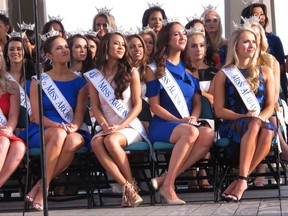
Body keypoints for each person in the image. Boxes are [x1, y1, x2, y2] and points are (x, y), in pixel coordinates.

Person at [145, 21, 215, 204]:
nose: (182, 37)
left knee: (207, 134)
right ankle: (168, 187)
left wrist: (194, 116)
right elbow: (154, 106)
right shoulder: (154, 69)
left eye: (184, 33)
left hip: (185, 122)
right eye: (177, 34)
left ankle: (165, 179)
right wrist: (179, 120)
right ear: (167, 39)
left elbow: (198, 101)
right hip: (163, 123)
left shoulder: (191, 69)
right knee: (191, 131)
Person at [20, 34, 90, 211]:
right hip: (43, 128)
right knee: (59, 135)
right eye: (59, 48)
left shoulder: (81, 83)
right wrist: (57, 126)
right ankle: (44, 190)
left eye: (66, 46)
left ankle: (41, 185)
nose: (65, 50)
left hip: (71, 128)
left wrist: (73, 126)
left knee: (73, 140)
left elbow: (79, 115)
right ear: (49, 56)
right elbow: (36, 116)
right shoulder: (39, 81)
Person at [214, 25, 275, 202]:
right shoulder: (223, 74)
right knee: (258, 125)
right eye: (246, 41)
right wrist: (244, 117)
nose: (251, 45)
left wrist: (258, 118)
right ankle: (243, 180)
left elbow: (271, 105)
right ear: (235, 46)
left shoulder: (266, 71)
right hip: (233, 125)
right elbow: (219, 110)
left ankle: (241, 180)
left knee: (267, 129)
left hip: (259, 122)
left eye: (254, 42)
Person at [85, 32, 144, 207]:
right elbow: (95, 106)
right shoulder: (94, 76)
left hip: (130, 126)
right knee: (96, 143)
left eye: (123, 45)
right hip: (107, 126)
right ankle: (128, 188)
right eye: (116, 44)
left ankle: (130, 187)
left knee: (111, 141)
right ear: (106, 47)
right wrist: (104, 124)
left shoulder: (131, 72)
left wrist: (120, 126)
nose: (121, 47)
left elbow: (138, 105)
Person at [183, 25, 218, 189]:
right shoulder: (181, 72)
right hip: (185, 115)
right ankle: (191, 173)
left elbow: (215, 99)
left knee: (205, 126)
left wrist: (199, 94)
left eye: (202, 45)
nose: (198, 49)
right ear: (186, 48)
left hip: (209, 116)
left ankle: (202, 173)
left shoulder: (214, 73)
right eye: (193, 45)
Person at [241, 3, 286, 100]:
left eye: (262, 14)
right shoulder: (240, 58)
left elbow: (282, 65)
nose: (260, 17)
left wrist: (262, 73)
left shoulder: (274, 41)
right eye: (255, 15)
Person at [0, 49, 26, 189]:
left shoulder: (11, 86)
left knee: (19, 147)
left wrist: (9, 128)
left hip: (4, 131)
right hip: (1, 136)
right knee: (3, 142)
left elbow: (13, 116)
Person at [3, 36, 35, 117]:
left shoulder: (34, 77)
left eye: (19, 49)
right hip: (7, 122)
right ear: (6, 53)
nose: (15, 52)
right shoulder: (3, 76)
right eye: (11, 49)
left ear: (25, 53)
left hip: (32, 122)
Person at [201, 5, 228, 69]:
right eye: (208, 20)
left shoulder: (227, 44)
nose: (211, 23)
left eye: (215, 20)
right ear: (204, 24)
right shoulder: (200, 45)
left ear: (219, 23)